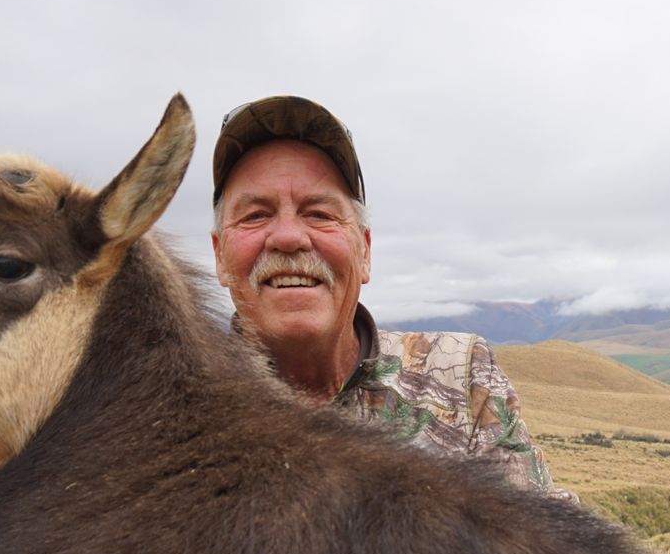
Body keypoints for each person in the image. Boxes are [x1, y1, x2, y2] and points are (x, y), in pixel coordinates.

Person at [210, 96, 565, 498]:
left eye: (319, 214)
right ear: (220, 256)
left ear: (365, 251)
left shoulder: (460, 373)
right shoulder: (172, 415)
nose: (289, 238)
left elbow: (549, 549)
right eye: (256, 215)